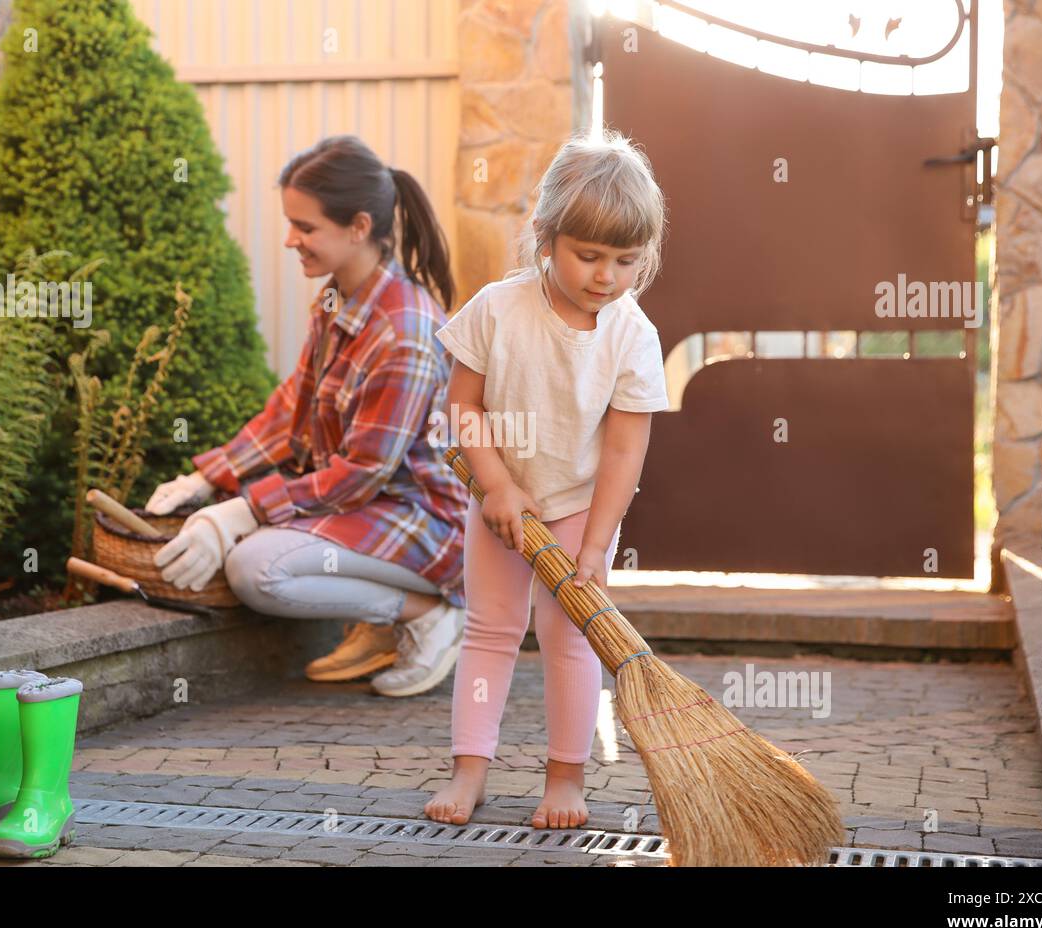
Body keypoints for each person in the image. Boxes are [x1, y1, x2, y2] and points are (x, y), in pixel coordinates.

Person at [144, 134, 470, 698]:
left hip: (426, 522)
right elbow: (290, 410)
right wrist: (207, 478)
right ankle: (383, 622)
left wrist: (246, 510)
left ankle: (425, 615)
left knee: (257, 568)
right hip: (367, 507)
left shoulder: (405, 334)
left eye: (306, 226)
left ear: (360, 226)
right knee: (249, 540)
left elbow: (361, 473)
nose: (291, 239)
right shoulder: (336, 299)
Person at [424, 130, 669, 828]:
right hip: (500, 495)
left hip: (579, 507)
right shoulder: (497, 310)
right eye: (588, 255)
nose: (605, 275)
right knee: (491, 630)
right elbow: (462, 406)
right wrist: (496, 486)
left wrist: (595, 544)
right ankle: (469, 769)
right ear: (546, 235)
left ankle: (566, 779)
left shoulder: (632, 335)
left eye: (625, 260)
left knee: (569, 637)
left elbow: (625, 449)